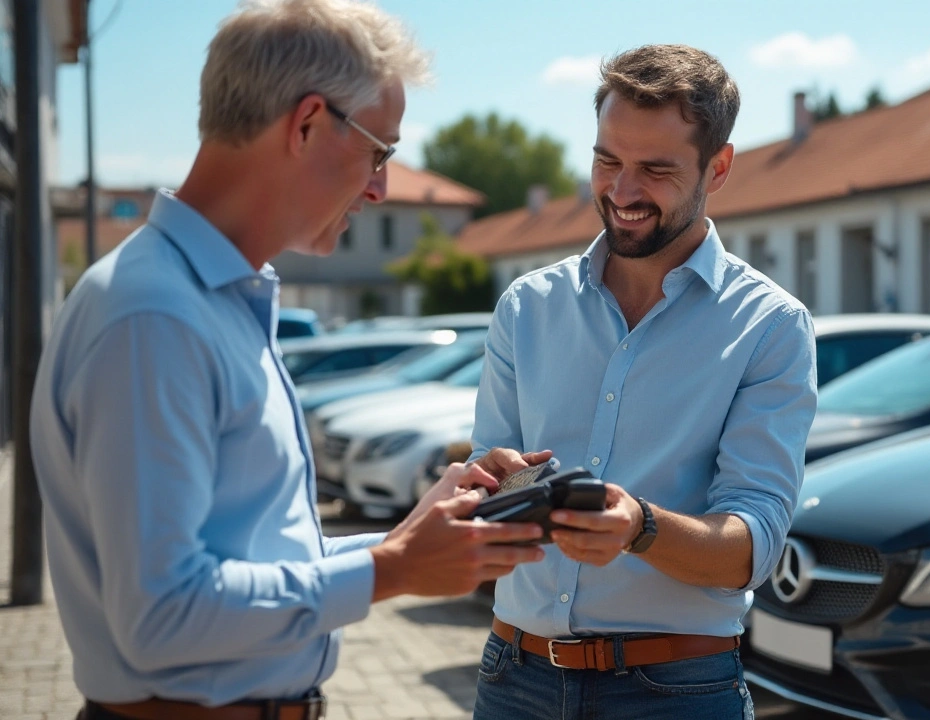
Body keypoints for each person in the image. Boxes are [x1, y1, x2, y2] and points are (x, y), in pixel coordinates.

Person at [28, 1, 546, 718]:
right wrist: (392, 569)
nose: (380, 188)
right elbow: (161, 619)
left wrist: (408, 541)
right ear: (306, 124)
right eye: (380, 151)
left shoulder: (205, 299)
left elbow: (244, 565)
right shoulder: (156, 316)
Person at [468, 44, 819, 719]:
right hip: (513, 679)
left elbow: (753, 547)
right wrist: (495, 487)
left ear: (718, 168)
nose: (622, 193)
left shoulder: (771, 326)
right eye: (608, 161)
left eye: (655, 170)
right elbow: (487, 490)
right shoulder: (527, 307)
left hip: (675, 693)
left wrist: (641, 528)